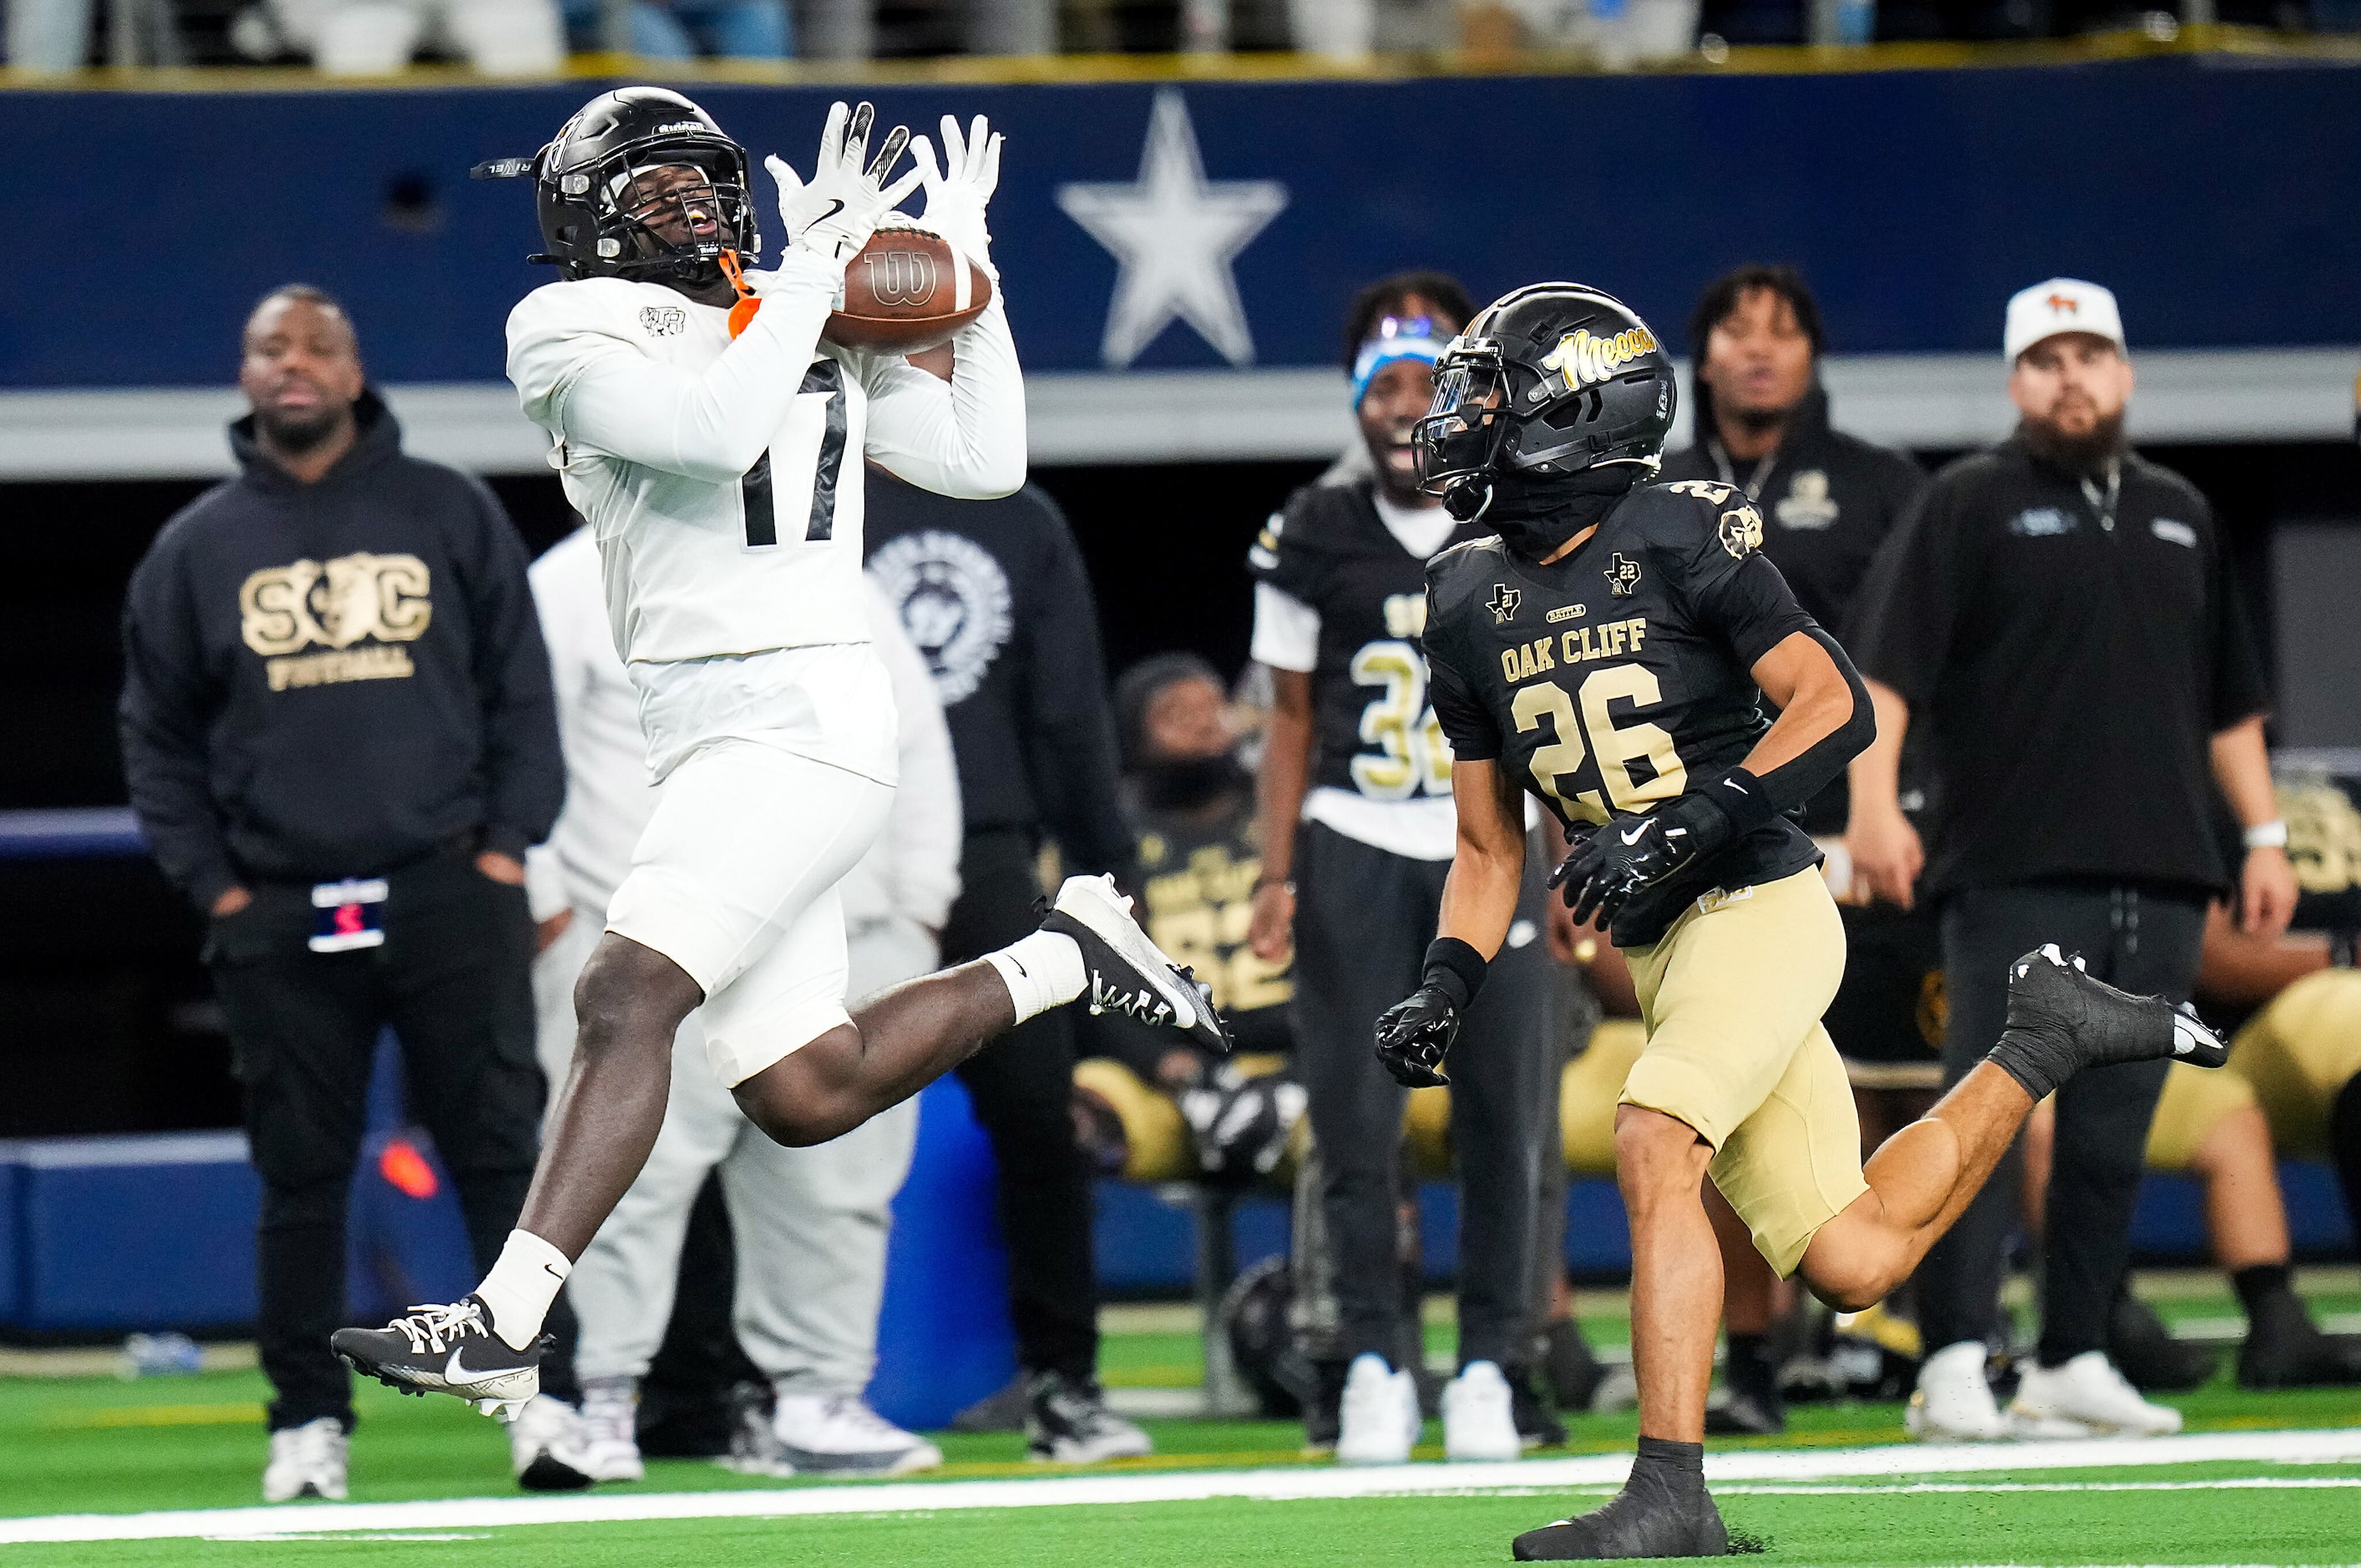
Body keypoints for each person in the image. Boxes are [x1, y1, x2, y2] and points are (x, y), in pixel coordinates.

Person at [331, 89, 1227, 1428]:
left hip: (799, 708)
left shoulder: (790, 299)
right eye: (653, 188)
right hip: (705, 724)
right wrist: (807, 283)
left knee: (624, 994)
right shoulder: (566, 324)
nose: (692, 204)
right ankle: (1062, 955)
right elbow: (708, 428)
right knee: (807, 1089)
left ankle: (503, 1320)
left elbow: (983, 462)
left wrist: (972, 296)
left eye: (704, 179)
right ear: (583, 217)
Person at [1393, 281, 2231, 1560]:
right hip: (1667, 948)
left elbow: (1832, 702)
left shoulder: (1676, 533)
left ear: (1576, 411)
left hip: (1760, 904)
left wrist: (1689, 817)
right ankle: (2043, 1040)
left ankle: (1669, 1487)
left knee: (1649, 1132)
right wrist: (1447, 979)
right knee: (1848, 1259)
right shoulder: (1460, 598)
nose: (1461, 419)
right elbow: (1483, 843)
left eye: (1491, 395)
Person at [118, 286, 573, 1503]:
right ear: (246, 370)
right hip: (276, 904)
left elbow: (521, 692)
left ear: (356, 367)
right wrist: (215, 890)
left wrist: (502, 847)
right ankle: (306, 1424)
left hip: (446, 887)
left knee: (500, 1152)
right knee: (300, 1173)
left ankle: (544, 1407)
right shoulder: (196, 545)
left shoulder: (447, 508)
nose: (296, 363)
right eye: (274, 345)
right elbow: (154, 739)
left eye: (318, 343)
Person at [1846, 277, 2297, 1442]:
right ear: (2014, 380)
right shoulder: (1964, 503)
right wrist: (1870, 811)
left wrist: (2257, 834)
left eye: (2088, 354)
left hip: (2160, 868)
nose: (2069, 377)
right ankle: (1948, 1356)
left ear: (2123, 371)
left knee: (2111, 1132)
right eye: (2045, 359)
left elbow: (2228, 703)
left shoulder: (2179, 512)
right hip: (2009, 867)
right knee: (1979, 1120)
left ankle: (2072, 1352)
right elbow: (1882, 671)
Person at [526, 522, 962, 1480]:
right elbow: (515, 738)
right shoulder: (568, 581)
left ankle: (819, 1400)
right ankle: (602, 1401)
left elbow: (917, 735)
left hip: (833, 916)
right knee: (624, 1181)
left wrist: (921, 901)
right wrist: (550, 897)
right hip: (651, 932)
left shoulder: (823, 566)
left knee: (835, 1183)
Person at [1246, 269, 1556, 1464]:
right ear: (1356, 402)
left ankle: (1489, 1360)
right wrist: (1273, 872)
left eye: (1428, 384)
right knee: (1354, 1122)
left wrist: (1579, 853)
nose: (1403, 407)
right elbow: (1281, 717)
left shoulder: (1514, 524)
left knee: (1502, 1120)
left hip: (1494, 844)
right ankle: (1373, 1355)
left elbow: (1551, 699)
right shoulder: (1311, 530)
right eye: (1385, 386)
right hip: (1356, 838)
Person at [1658, 263, 1931, 1435]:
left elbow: (1894, 658)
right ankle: (1757, 1354)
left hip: (1854, 812)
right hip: (1710, 830)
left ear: (1812, 355)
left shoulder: (1878, 485)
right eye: (1735, 329)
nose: (1758, 351)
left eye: (1781, 332)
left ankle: (1911, 1329)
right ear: (1700, 354)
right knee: (1726, 1097)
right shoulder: (1652, 492)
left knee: (1883, 1083)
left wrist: (1877, 801)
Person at [865, 407, 1154, 1463]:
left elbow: (1071, 712)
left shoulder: (1016, 517)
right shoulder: (808, 492)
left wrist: (1109, 874)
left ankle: (1064, 1385)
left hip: (987, 855)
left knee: (1038, 1117)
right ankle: (746, 1388)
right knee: (767, 1111)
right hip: (832, 846)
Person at [1074, 654, 1300, 1185]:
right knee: (1080, 1113)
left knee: (1370, 1122)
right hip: (1171, 1073)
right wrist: (1173, 1068)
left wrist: (1313, 1065)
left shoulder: (1288, 819)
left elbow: (1353, 960)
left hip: (1299, 1058)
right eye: (1177, 714)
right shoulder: (1111, 840)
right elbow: (1085, 982)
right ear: (1134, 737)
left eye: (1215, 708)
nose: (1205, 724)